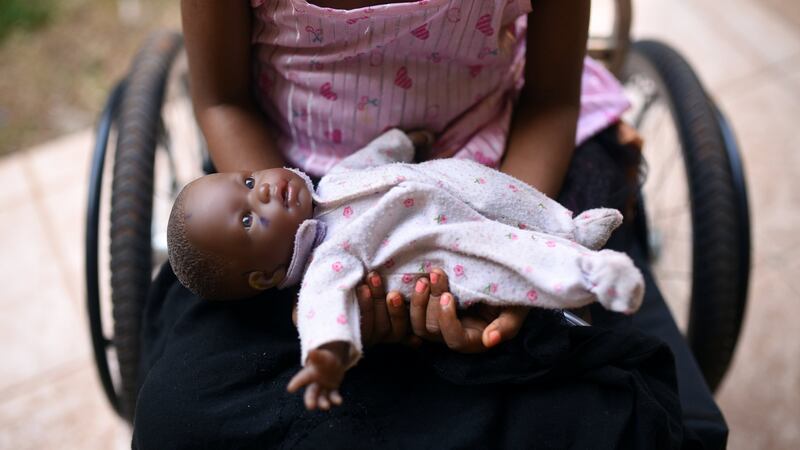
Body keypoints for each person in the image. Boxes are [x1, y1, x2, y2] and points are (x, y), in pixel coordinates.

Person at [132, 0, 728, 448]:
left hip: (497, 175)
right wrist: (304, 262)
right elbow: (223, 100)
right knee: (176, 421)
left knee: (617, 420)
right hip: (299, 196)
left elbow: (549, 99)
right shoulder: (277, 206)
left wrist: (507, 261)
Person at [166, 129, 645, 409]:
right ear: (267, 276)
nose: (264, 192)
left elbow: (373, 156)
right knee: (505, 252)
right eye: (248, 218)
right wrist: (327, 354)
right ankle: (588, 276)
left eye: (250, 181)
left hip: (455, 181)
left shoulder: (333, 181)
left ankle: (569, 229)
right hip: (440, 244)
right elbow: (322, 306)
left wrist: (401, 141)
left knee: (511, 197)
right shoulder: (327, 263)